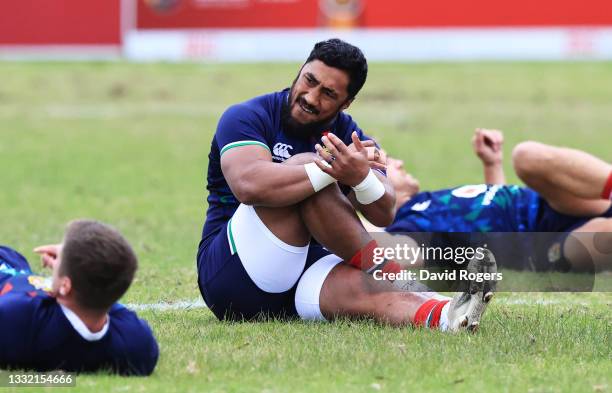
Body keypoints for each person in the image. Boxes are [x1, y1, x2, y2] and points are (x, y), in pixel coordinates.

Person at [197, 38, 495, 332]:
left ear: (346, 102)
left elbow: (384, 211)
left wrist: (360, 177)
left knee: (365, 288)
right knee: (311, 167)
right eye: (309, 80)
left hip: (299, 275)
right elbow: (248, 186)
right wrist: (333, 171)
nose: (311, 97)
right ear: (300, 70)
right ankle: (394, 274)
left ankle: (445, 315)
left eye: (328, 93)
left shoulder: (348, 134)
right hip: (231, 274)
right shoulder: (247, 116)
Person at [379, 128, 612, 272]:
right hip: (546, 246)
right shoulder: (409, 229)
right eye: (388, 162)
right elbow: (383, 252)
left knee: (526, 155)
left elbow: (496, 210)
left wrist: (492, 165)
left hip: (552, 203)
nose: (399, 162)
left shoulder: (426, 200)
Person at [0, 220, 159, 375]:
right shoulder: (136, 344)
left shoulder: (18, 318)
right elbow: (106, 286)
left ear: (65, 286)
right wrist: (68, 263)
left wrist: (67, 262)